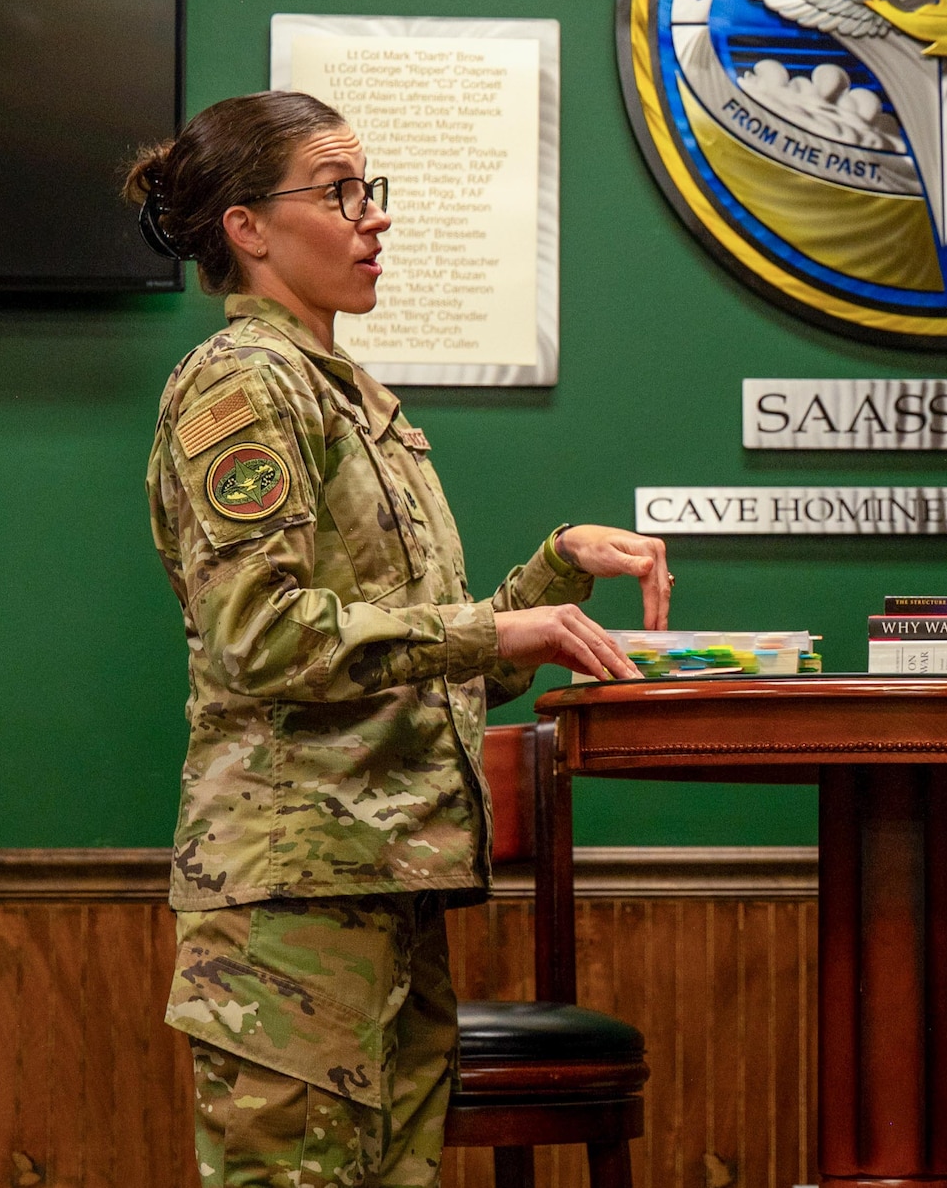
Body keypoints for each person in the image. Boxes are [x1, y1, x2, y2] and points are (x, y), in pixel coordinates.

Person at [130, 91, 669, 1186]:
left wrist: (552, 575)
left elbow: (426, 671)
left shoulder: (348, 396)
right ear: (247, 226)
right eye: (337, 193)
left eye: (368, 190)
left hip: (381, 883)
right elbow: (261, 638)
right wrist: (492, 623)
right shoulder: (244, 383)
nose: (372, 218)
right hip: (293, 907)